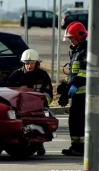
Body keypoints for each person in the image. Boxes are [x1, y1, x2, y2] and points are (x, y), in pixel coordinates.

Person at [4, 49, 53, 156]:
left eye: (31, 63)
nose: (29, 65)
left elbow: (49, 93)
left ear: (37, 63)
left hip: (38, 108)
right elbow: (7, 89)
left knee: (40, 127)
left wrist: (43, 104)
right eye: (26, 63)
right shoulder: (16, 75)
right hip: (21, 109)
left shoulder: (43, 75)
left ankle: (40, 145)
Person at [58, 21, 87, 156]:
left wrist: (74, 85)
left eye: (72, 38)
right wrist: (66, 86)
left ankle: (82, 148)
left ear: (79, 37)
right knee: (73, 120)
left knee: (79, 121)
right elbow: (73, 73)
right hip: (77, 94)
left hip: (84, 94)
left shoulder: (86, 53)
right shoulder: (76, 52)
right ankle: (75, 146)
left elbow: (84, 73)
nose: (71, 41)